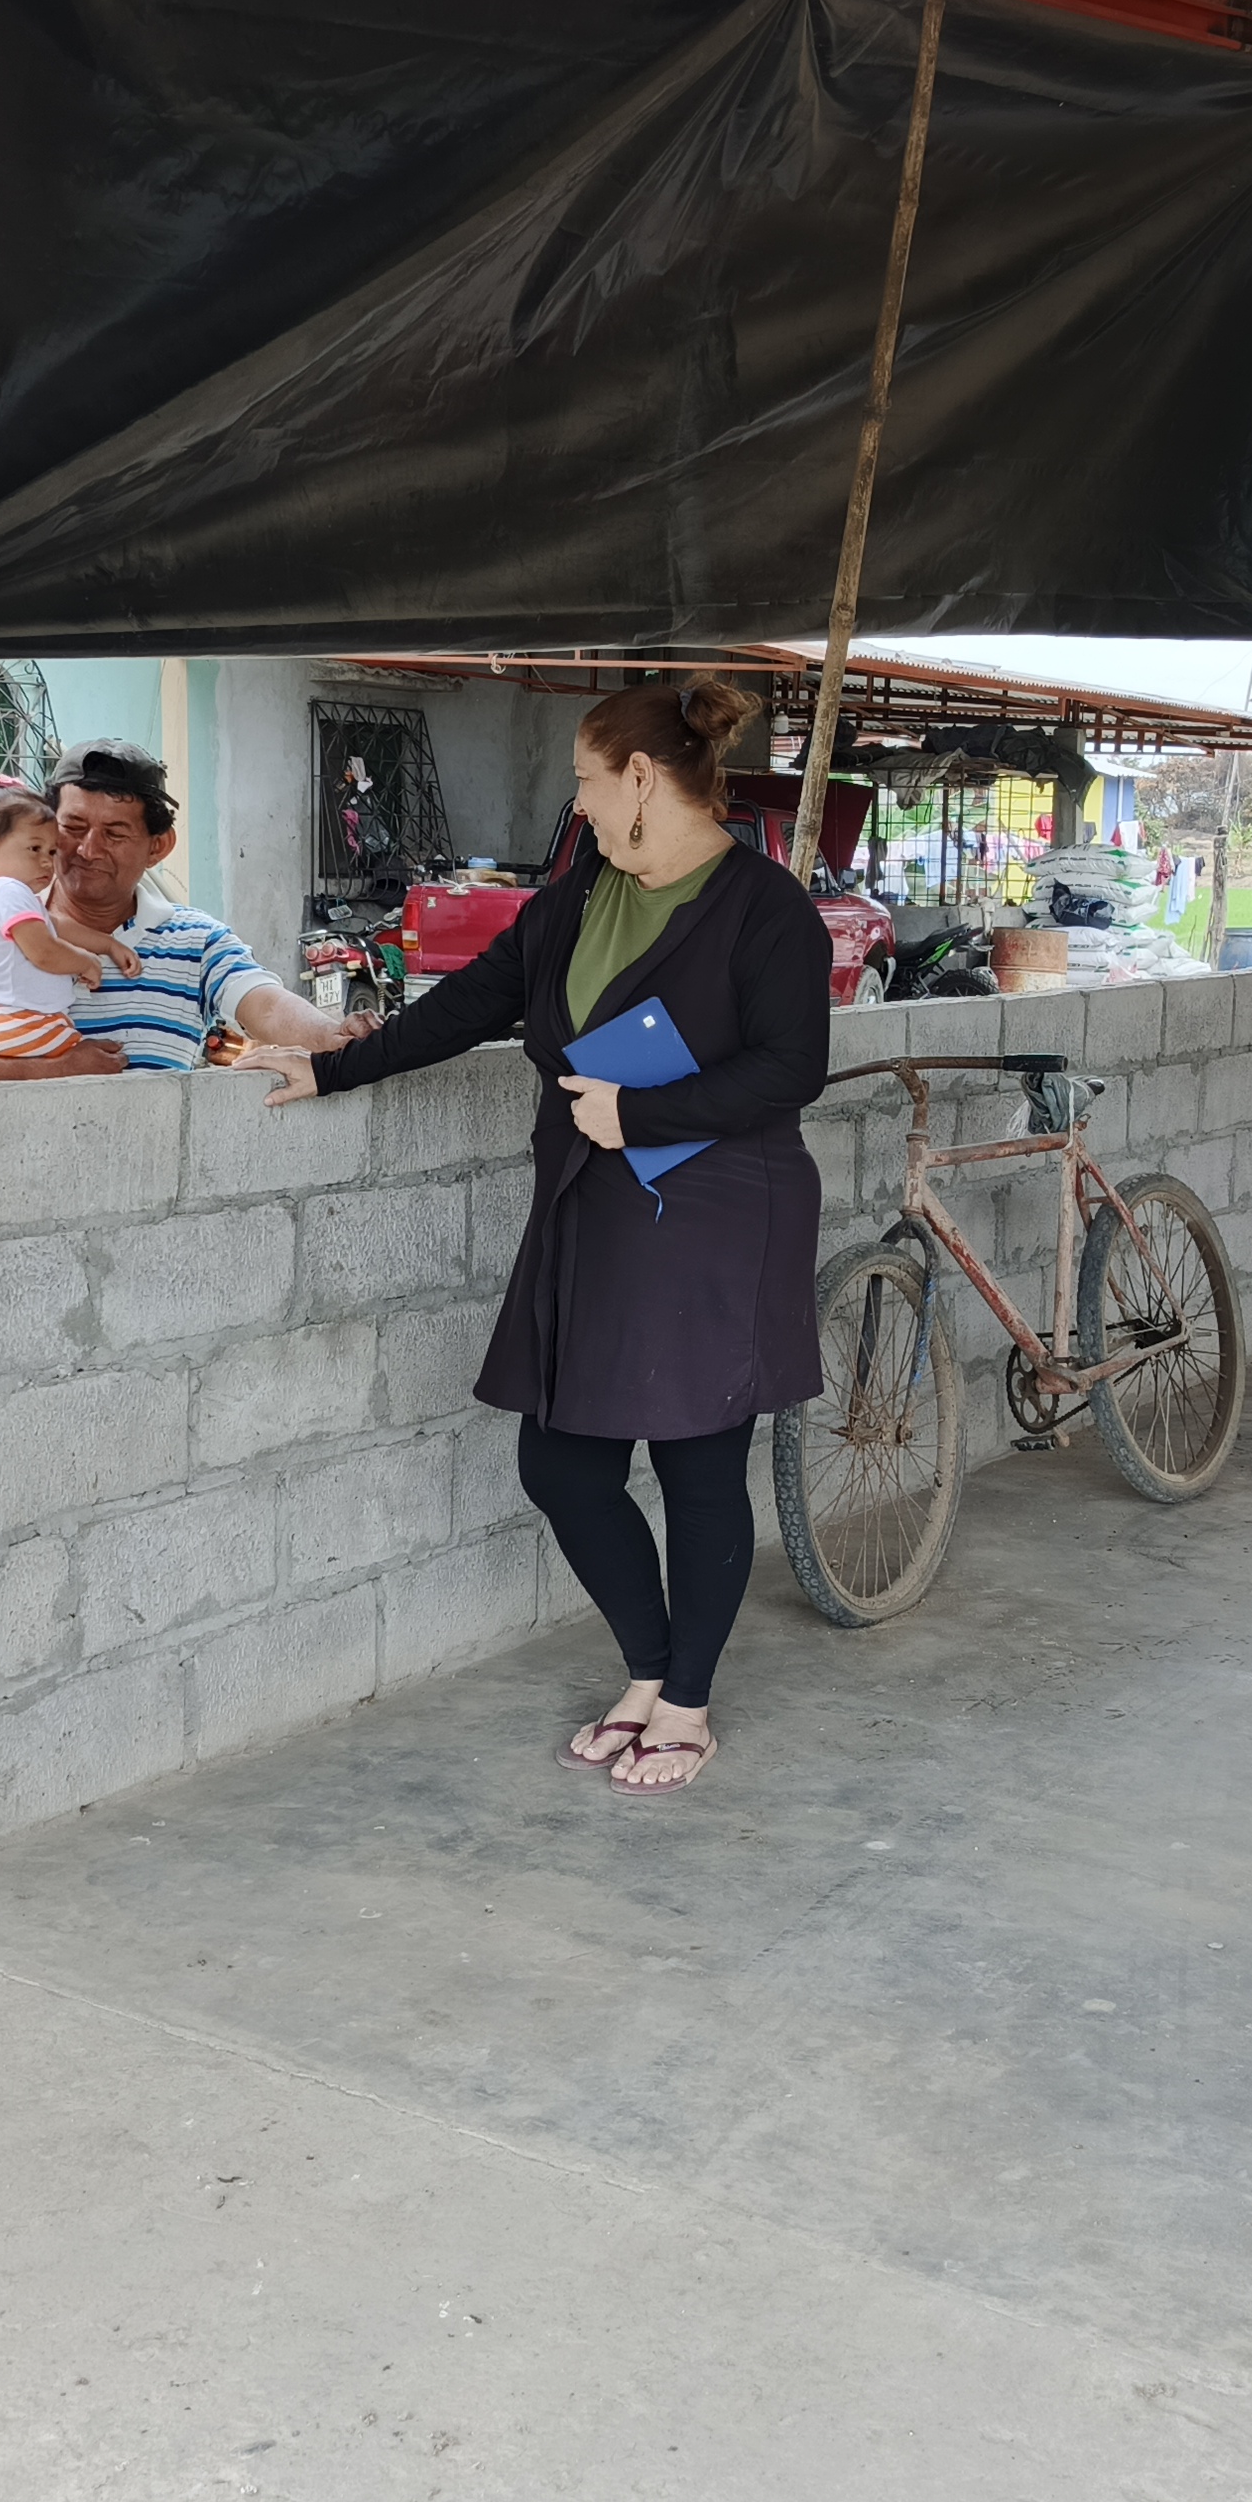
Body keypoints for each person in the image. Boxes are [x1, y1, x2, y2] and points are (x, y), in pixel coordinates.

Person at [253, 676, 831, 1795]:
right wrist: (333, 1068)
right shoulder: (577, 898)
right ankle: (648, 1668)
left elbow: (789, 1067)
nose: (578, 800)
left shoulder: (765, 909)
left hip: (716, 1212)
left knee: (698, 1462)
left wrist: (643, 1114)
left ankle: (687, 1702)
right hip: (590, 1205)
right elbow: (470, 1003)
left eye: (585, 778)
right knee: (561, 1463)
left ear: (641, 779)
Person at [0, 742, 361, 1084]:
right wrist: (56, 1071)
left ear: (158, 847)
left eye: (114, 833)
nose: (87, 850)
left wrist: (337, 1036)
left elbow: (267, 1007)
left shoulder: (198, 941)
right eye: (72, 828)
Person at [0, 779, 134, 1072]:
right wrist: (85, 962)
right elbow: (43, 951)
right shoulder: (8, 891)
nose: (47, 863)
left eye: (51, 852)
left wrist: (108, 944)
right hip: (19, 1024)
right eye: (34, 848)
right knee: (97, 1066)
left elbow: (55, 925)